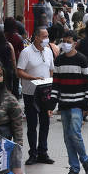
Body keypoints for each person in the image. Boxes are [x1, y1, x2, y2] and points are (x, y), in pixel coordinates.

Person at [51, 31, 88, 174]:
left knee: (75, 134)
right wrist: (52, 100)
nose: (65, 43)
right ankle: (74, 168)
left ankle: (85, 160)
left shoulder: (82, 60)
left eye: (68, 41)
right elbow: (55, 82)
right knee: (67, 137)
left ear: (75, 43)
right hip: (64, 104)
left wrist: (86, 101)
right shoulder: (59, 61)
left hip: (77, 103)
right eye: (64, 40)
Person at [16, 27, 55, 165]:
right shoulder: (26, 53)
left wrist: (50, 87)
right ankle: (33, 153)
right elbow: (19, 71)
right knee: (32, 124)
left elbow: (51, 70)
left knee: (45, 123)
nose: (46, 39)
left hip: (45, 94)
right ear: (36, 37)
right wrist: (33, 77)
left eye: (47, 36)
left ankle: (43, 152)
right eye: (44, 36)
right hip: (30, 93)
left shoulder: (49, 51)